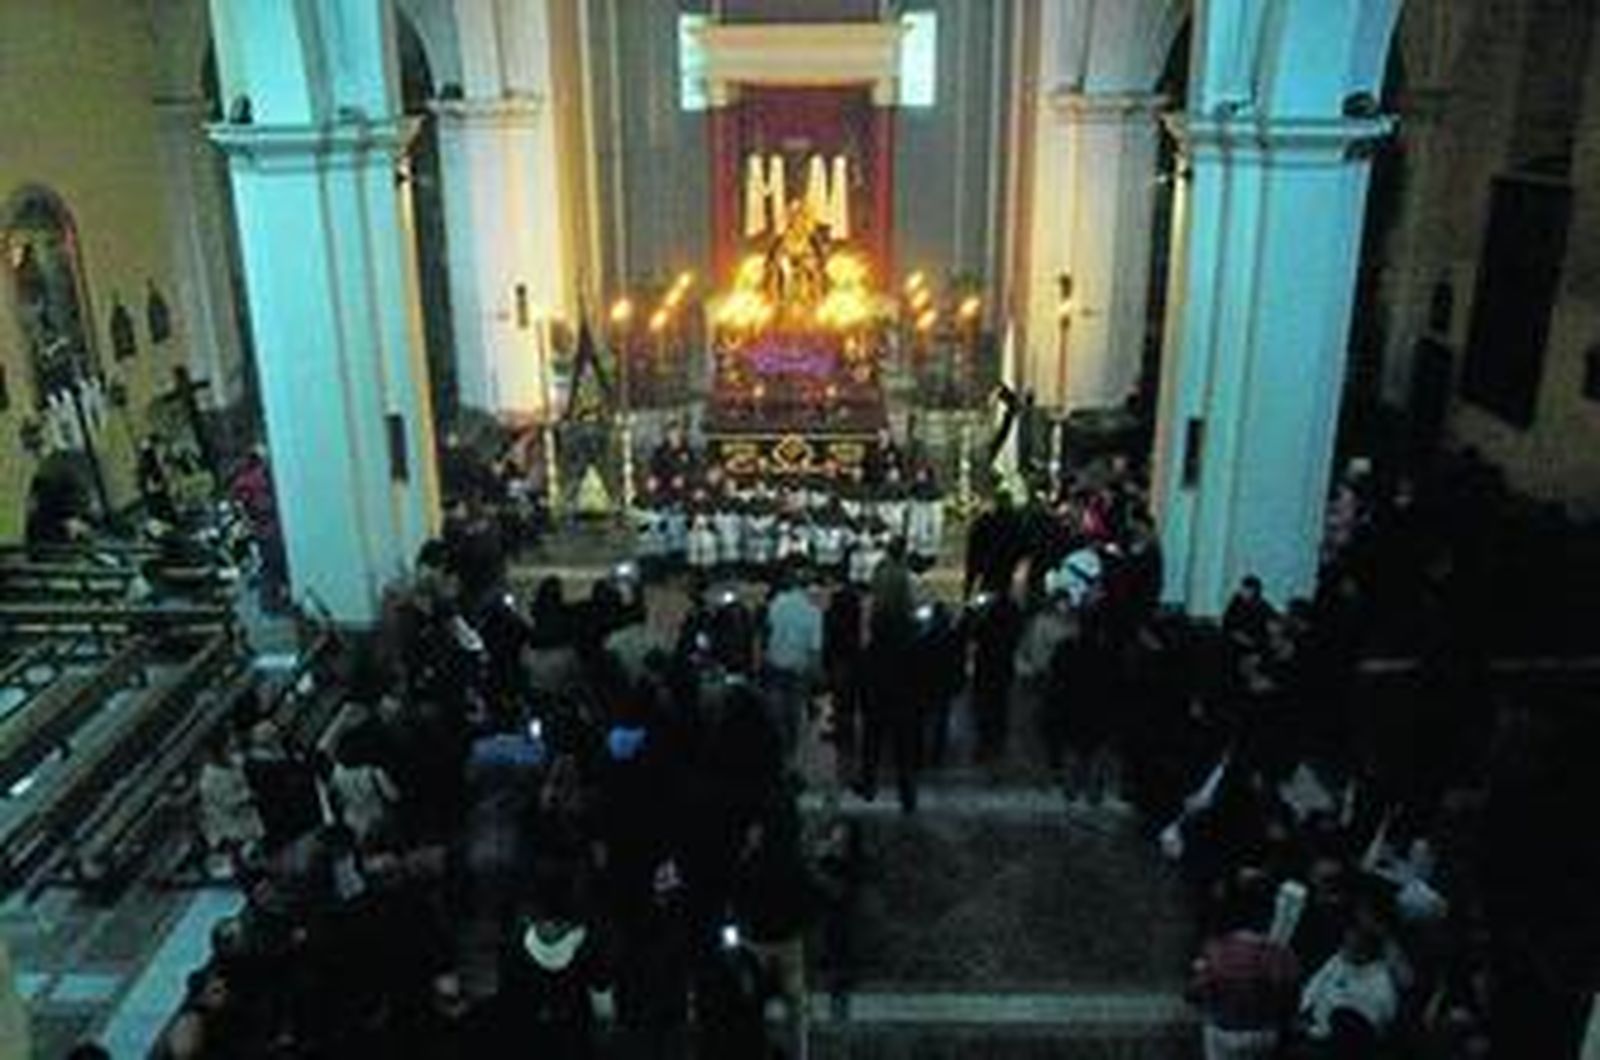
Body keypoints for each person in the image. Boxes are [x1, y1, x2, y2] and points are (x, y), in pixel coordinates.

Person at [1187, 880, 1301, 1059]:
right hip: (1265, 1034)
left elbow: (1195, 993)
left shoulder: (1217, 949)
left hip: (1224, 1032)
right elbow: (1291, 996)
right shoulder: (1280, 952)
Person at [763, 564, 823, 768]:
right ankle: (791, 763)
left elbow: (765, 634)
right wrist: (816, 683)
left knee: (775, 717)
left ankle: (776, 761)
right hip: (798, 670)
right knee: (795, 719)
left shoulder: (775, 604)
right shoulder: (814, 612)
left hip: (774, 666)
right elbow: (815, 651)